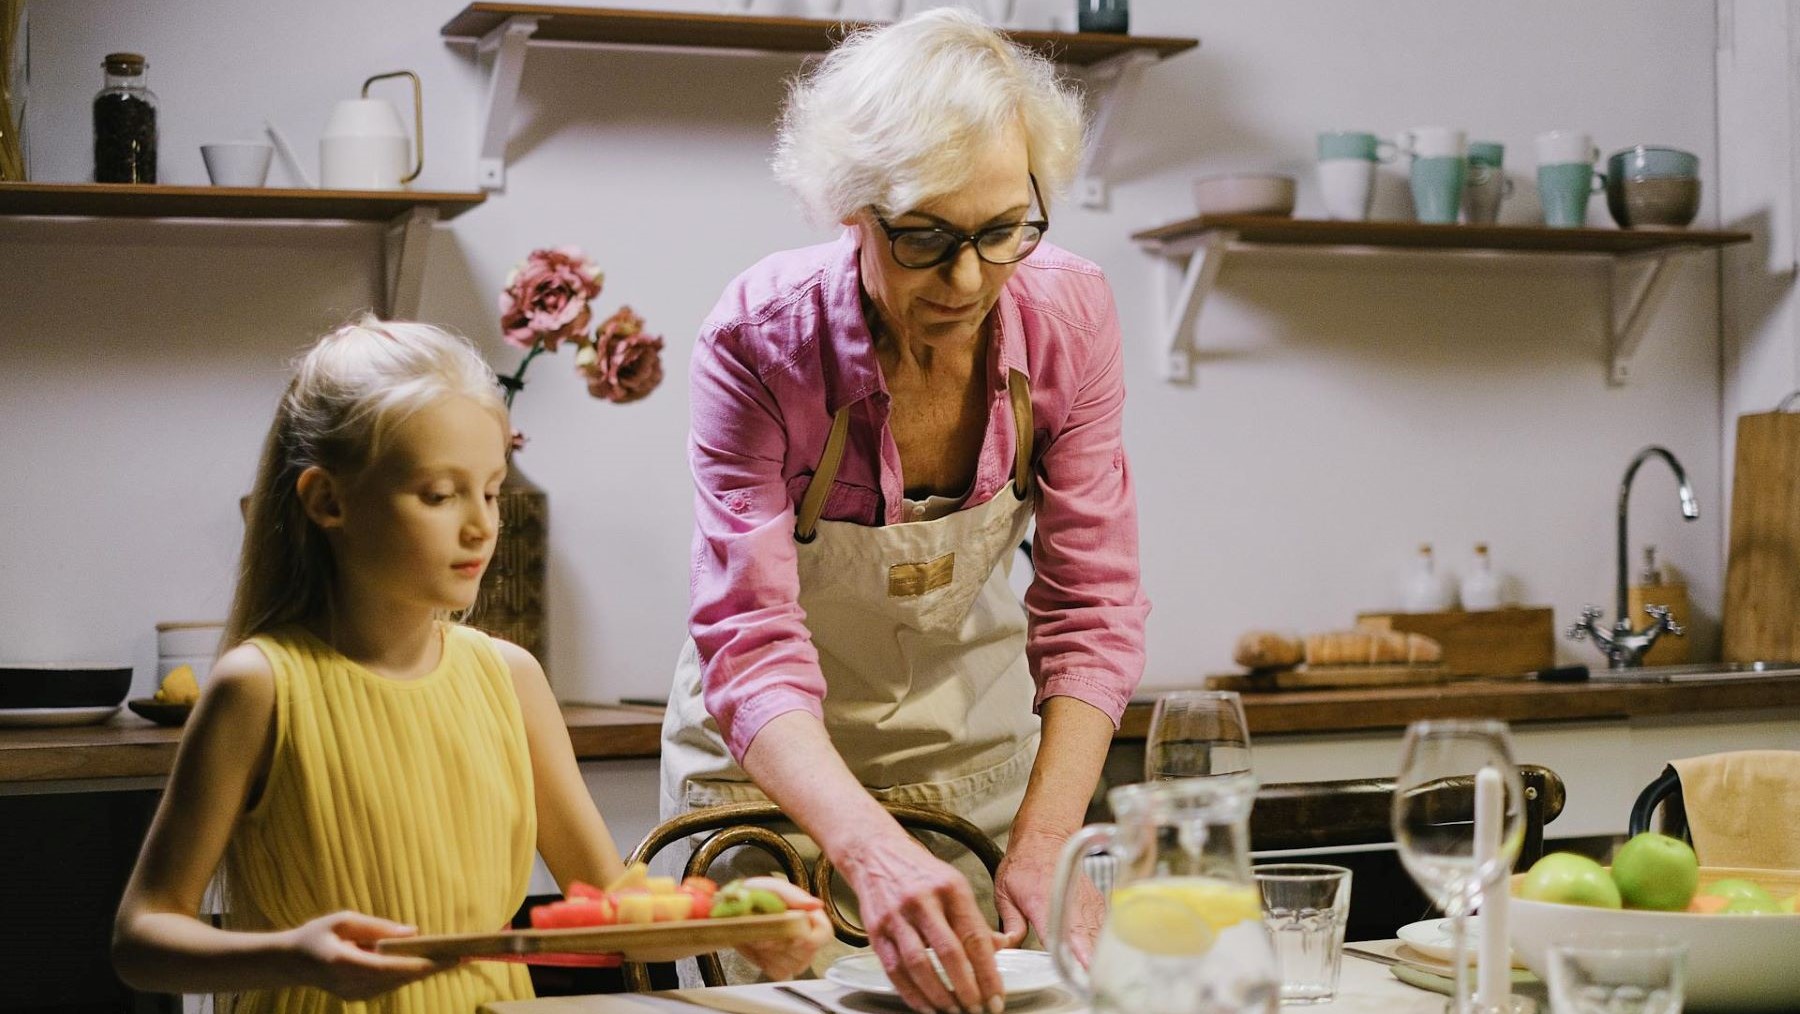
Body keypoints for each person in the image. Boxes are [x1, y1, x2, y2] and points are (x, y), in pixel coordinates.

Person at [113, 317, 829, 1013]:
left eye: (489, 490)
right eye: (439, 495)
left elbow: (612, 903)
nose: (482, 524)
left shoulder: (509, 679)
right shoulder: (260, 687)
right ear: (328, 500)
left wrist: (736, 915)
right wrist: (293, 954)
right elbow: (143, 937)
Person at [661, 10, 1149, 1014]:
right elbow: (750, 640)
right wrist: (869, 849)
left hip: (971, 773)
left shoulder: (1070, 316)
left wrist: (1047, 840)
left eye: (1003, 230)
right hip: (770, 790)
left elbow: (1092, 609)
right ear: (853, 207)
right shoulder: (761, 340)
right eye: (925, 236)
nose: (968, 279)